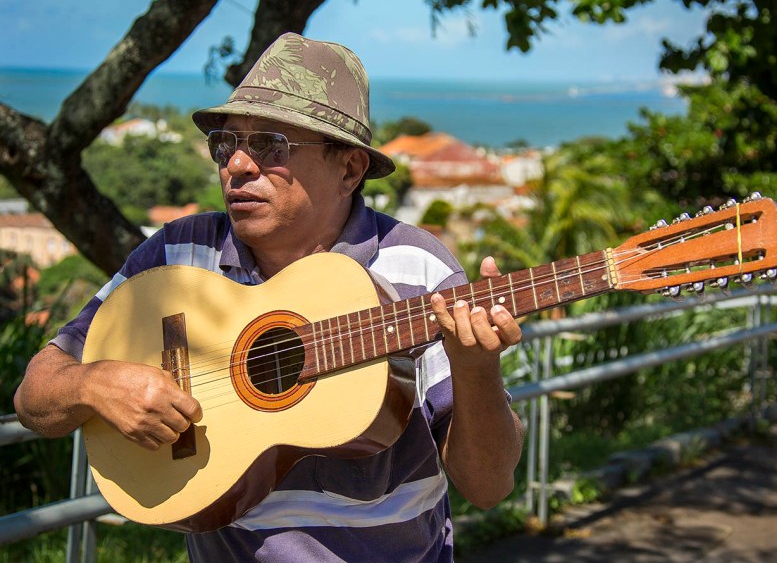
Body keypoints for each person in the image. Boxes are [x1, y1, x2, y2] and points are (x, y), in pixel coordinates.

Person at [14, 33, 524, 561]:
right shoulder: (179, 255)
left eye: (269, 145)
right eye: (225, 144)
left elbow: (488, 488)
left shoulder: (418, 266)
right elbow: (34, 396)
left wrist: (476, 369)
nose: (235, 165)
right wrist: (92, 384)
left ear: (348, 169)